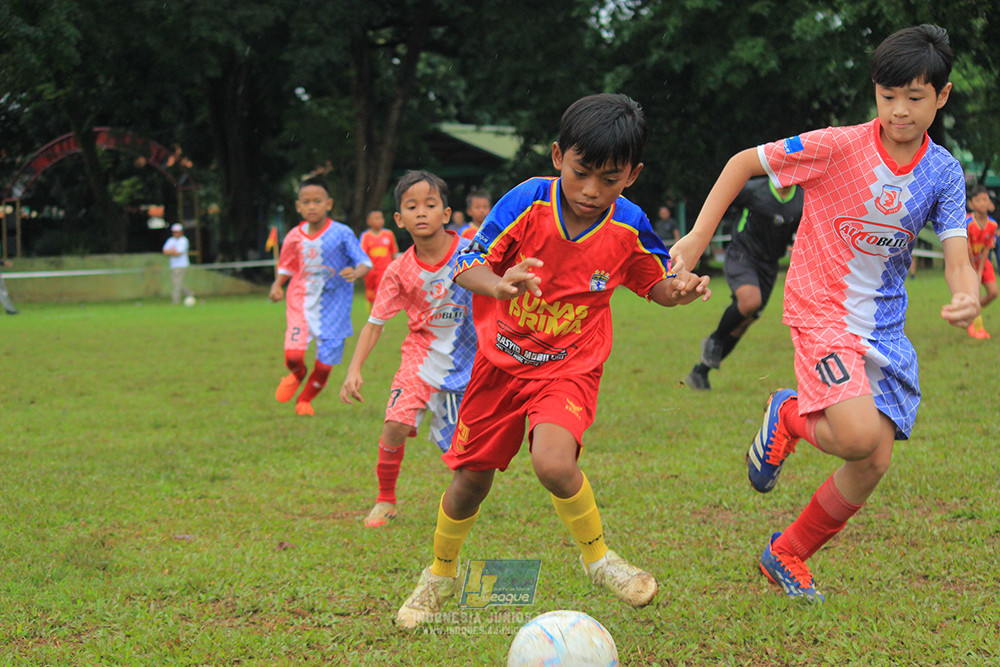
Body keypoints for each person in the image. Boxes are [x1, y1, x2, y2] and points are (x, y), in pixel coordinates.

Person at [671, 25, 980, 603]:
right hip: (820, 308)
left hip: (882, 326)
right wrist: (695, 237)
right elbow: (743, 162)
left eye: (916, 98)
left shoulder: (944, 173)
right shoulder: (839, 145)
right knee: (859, 434)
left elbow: (958, 253)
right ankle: (788, 415)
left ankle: (786, 552)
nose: (900, 111)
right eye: (888, 96)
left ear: (942, 96)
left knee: (874, 459)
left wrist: (965, 291)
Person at [395, 93, 710, 629]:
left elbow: (655, 281)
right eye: (581, 172)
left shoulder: (630, 225)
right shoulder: (525, 202)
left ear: (632, 175)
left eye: (609, 179)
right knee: (470, 480)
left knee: (554, 463)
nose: (591, 191)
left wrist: (677, 292)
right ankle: (440, 576)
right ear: (558, 155)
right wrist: (499, 283)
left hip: (570, 366)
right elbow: (466, 266)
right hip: (499, 366)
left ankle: (599, 560)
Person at [340, 171, 477, 529]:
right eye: (411, 206)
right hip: (420, 359)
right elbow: (374, 323)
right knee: (395, 425)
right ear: (399, 219)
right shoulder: (398, 270)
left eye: (430, 205)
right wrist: (354, 369)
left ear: (446, 214)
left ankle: (461, 504)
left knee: (462, 454)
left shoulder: (470, 252)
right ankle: (385, 499)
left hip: (468, 363)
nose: (422, 213)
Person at [686, 177, 804, 390]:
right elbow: (720, 202)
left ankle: (700, 371)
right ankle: (714, 339)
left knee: (745, 321)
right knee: (750, 302)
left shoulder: (803, 198)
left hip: (770, 264)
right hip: (743, 254)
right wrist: (701, 236)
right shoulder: (753, 189)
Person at [269, 177, 371, 416]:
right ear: (298, 206)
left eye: (317, 201)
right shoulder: (294, 235)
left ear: (329, 204)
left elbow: (364, 261)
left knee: (324, 366)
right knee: (293, 355)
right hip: (300, 303)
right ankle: (297, 373)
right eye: (306, 202)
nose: (312, 206)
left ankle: (305, 400)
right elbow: (287, 265)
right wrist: (277, 285)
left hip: (334, 308)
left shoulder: (342, 233)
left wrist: (356, 272)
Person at [964, 185, 997, 338]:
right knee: (975, 295)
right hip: (968, 262)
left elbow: (986, 249)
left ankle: (970, 314)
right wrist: (973, 270)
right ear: (972, 204)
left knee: (993, 293)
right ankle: (978, 329)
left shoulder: (993, 225)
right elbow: (968, 249)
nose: (983, 203)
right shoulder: (968, 223)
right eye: (979, 200)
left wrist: (981, 268)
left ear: (990, 203)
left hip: (983, 263)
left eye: (985, 199)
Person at [358, 209, 400, 308]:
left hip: (384, 270)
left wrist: (395, 268)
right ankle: (371, 311)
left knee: (380, 293)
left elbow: (393, 252)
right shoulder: (366, 236)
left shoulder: (389, 234)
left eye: (381, 218)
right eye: (377, 218)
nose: (380, 220)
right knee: (370, 294)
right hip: (371, 270)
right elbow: (362, 254)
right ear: (369, 221)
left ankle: (378, 316)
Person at [162, 223, 194, 305]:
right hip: (173, 265)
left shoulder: (184, 240)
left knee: (177, 285)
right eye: (174, 232)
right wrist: (173, 252)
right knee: (177, 284)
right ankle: (190, 294)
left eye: (177, 232)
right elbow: (165, 251)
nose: (176, 233)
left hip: (181, 265)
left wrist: (171, 252)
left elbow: (178, 253)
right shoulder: (170, 240)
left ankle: (175, 301)